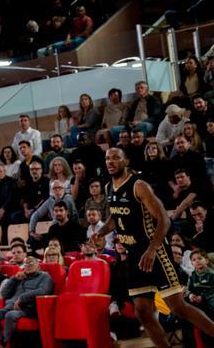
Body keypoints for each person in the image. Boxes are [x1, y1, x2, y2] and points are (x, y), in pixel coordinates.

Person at [92, 147, 214, 347]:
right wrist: (101, 232)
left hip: (155, 253)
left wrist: (152, 249)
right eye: (107, 158)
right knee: (142, 311)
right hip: (134, 256)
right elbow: (117, 216)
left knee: (178, 306)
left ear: (126, 161)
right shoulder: (108, 187)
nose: (110, 161)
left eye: (116, 157)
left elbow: (164, 220)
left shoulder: (139, 186)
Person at [0, 256, 53, 348]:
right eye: (25, 264)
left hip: (28, 309)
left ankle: (5, 343)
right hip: (10, 306)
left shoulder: (44, 276)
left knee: (11, 315)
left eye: (31, 263)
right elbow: (4, 294)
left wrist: (22, 298)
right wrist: (14, 279)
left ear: (38, 266)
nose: (28, 266)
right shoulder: (20, 277)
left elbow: (43, 291)